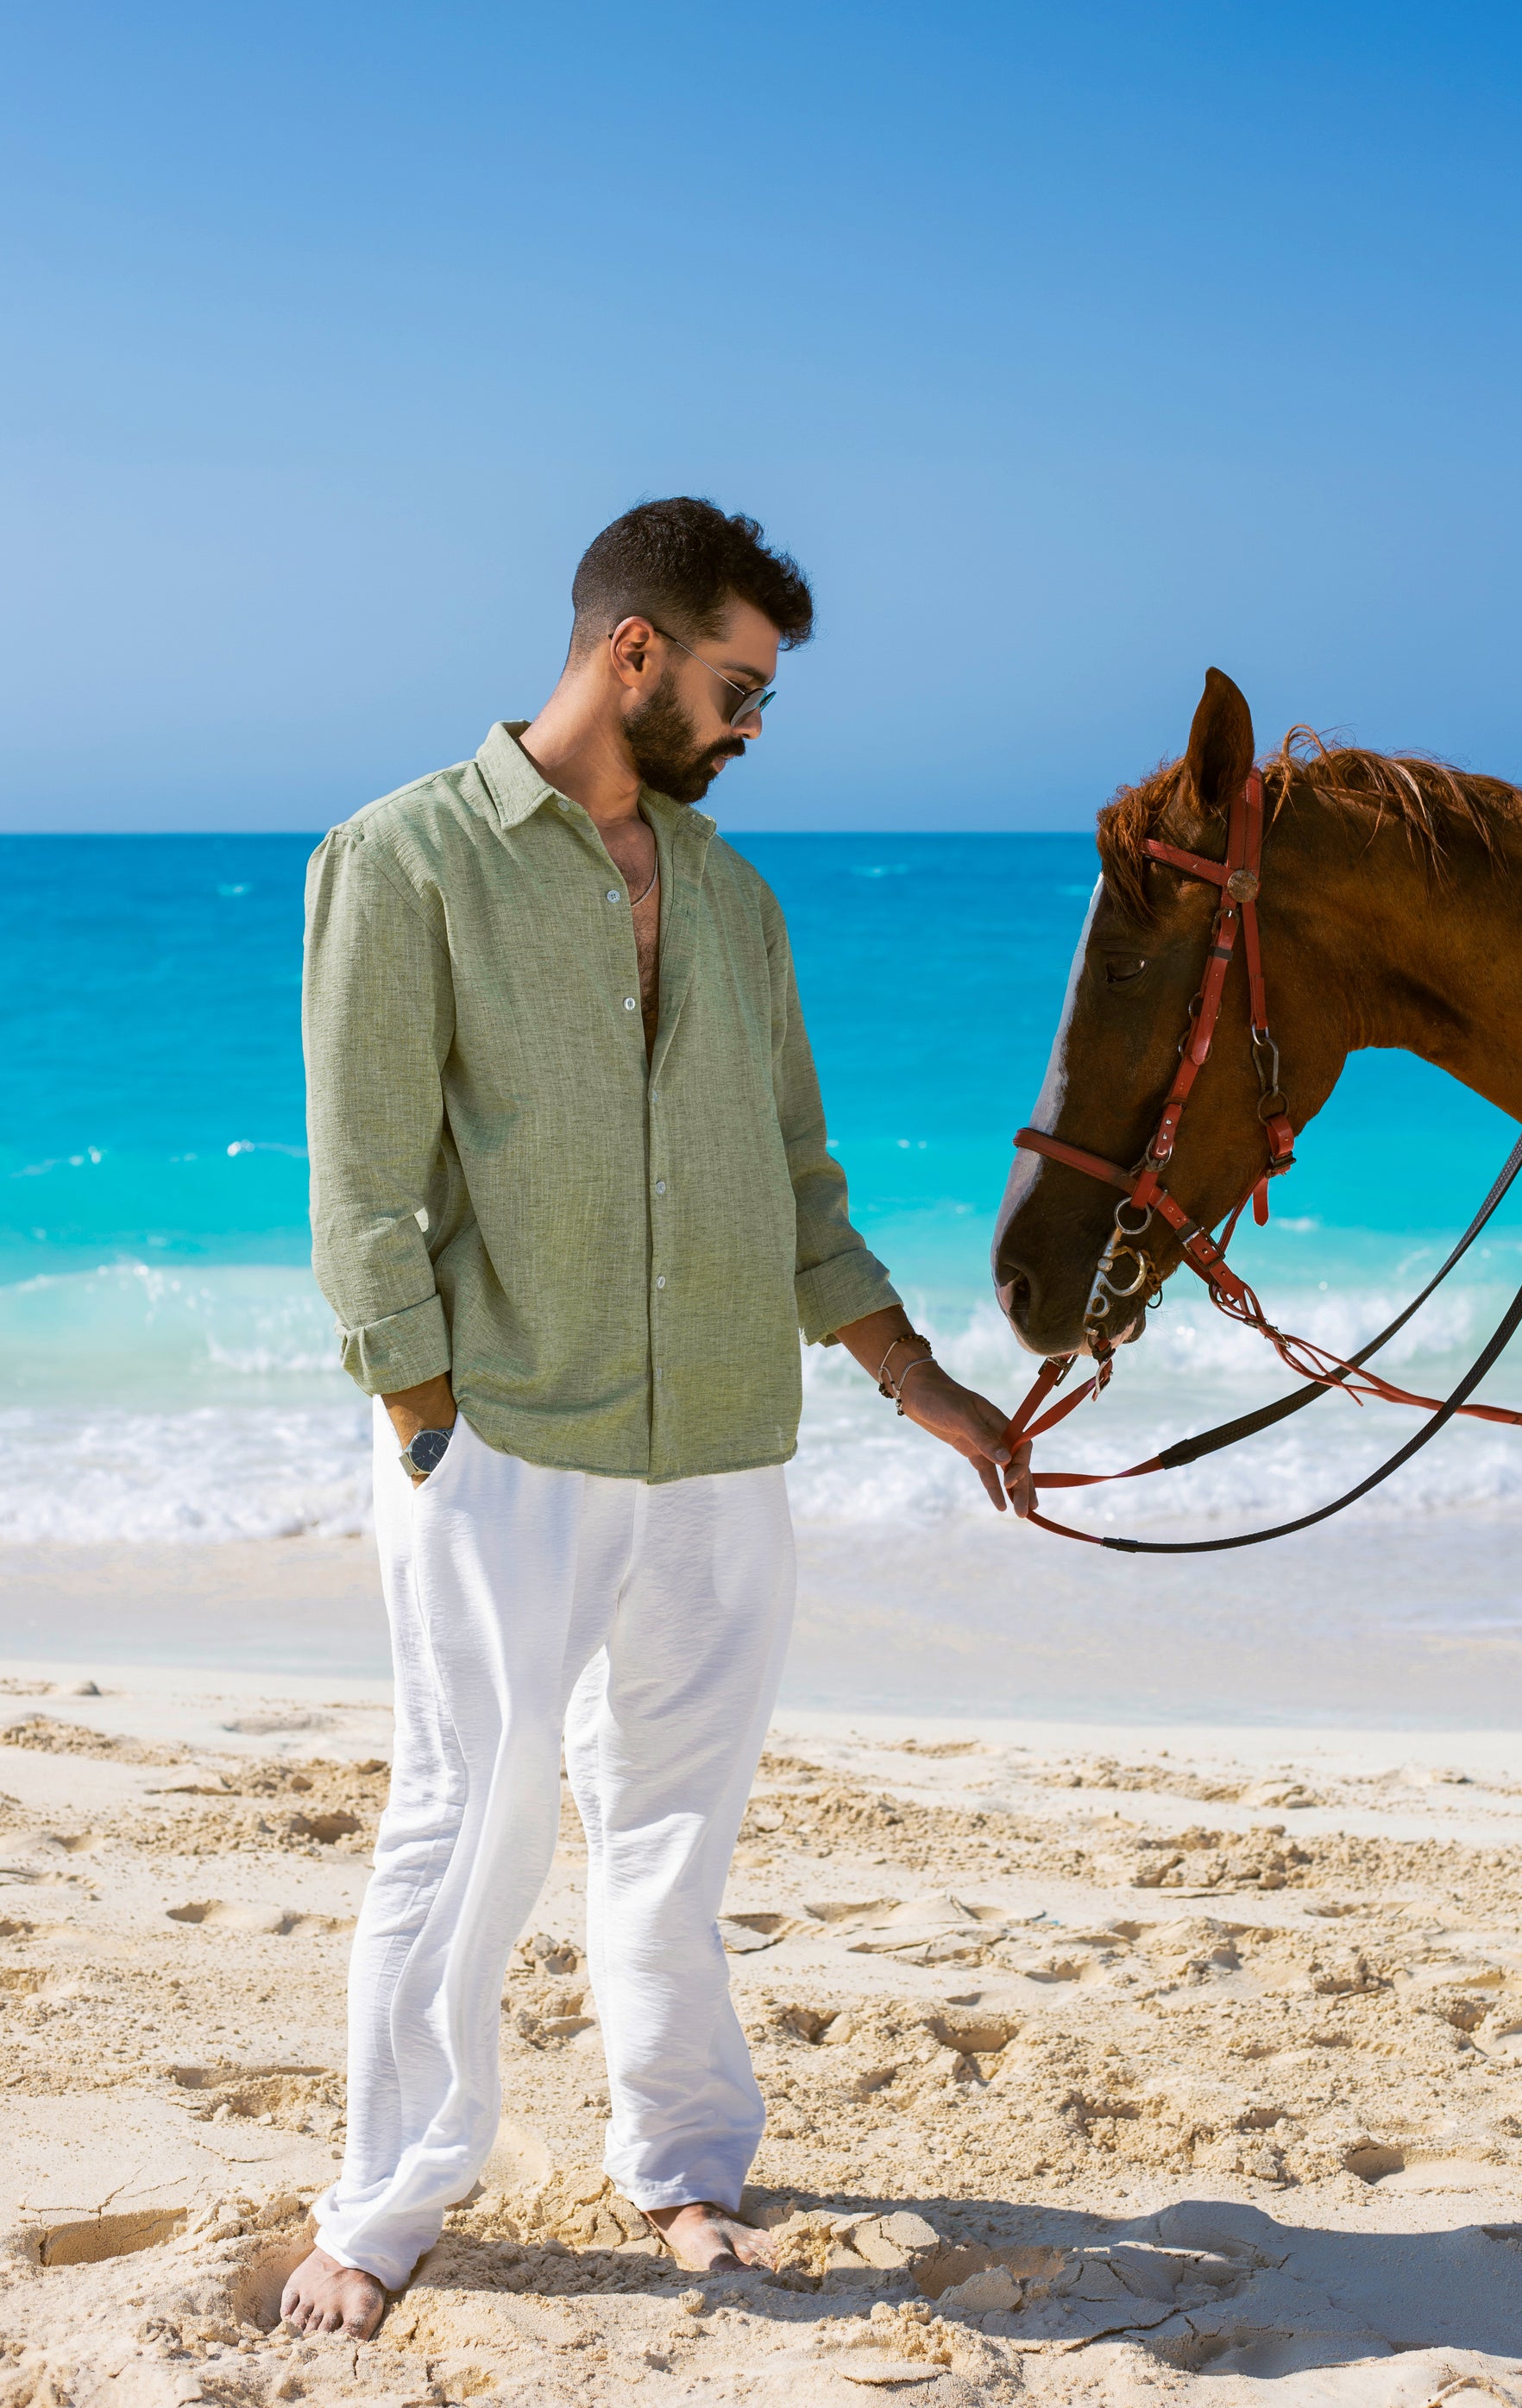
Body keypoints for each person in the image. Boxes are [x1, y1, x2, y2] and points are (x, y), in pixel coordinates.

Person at [285, 496, 1035, 2336]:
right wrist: (426, 1404)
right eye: (733, 685)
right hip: (504, 1439)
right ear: (633, 654)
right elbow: (365, 1176)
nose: (751, 728)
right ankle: (387, 2204)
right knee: (468, 1820)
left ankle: (686, 2165)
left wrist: (914, 1377)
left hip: (721, 1436)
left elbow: (794, 1170)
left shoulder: (728, 895)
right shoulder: (404, 859)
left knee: (677, 1829)